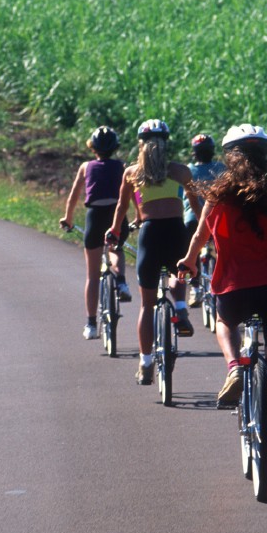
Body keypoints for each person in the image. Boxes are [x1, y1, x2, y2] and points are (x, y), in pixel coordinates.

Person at [179, 123, 267, 475]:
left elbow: (199, 239)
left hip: (232, 290)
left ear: (229, 158)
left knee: (223, 323)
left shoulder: (217, 197)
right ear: (265, 158)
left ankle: (234, 366)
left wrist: (188, 264)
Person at [106, 119, 197, 386]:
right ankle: (180, 307)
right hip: (176, 232)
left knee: (147, 305)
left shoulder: (131, 173)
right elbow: (197, 207)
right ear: (166, 143)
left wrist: (113, 230)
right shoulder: (181, 172)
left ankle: (146, 362)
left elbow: (122, 208)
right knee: (177, 270)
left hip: (149, 235)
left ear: (140, 144)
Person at [60, 125, 132, 339]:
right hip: (115, 214)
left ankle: (91, 325)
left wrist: (68, 218)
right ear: (115, 147)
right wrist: (140, 214)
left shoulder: (85, 167)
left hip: (94, 216)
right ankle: (120, 280)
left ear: (93, 148)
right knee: (115, 247)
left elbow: (74, 195)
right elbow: (133, 193)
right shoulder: (121, 166)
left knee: (92, 275)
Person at [183, 133, 225, 306]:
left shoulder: (188, 171)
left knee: (191, 250)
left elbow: (181, 197)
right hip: (218, 220)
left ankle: (195, 288)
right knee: (222, 252)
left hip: (193, 219)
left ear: (194, 153)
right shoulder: (221, 169)